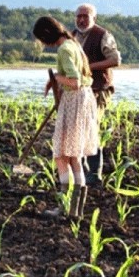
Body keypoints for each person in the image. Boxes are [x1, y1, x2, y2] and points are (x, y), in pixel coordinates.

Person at [32, 16, 99, 218]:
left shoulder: (65, 49)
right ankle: (74, 211)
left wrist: (56, 78)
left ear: (47, 35)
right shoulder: (73, 44)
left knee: (62, 156)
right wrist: (55, 82)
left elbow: (75, 81)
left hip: (75, 101)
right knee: (73, 157)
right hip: (82, 100)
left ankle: (65, 208)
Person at [72, 3, 122, 186]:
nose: (82, 19)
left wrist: (89, 68)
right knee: (77, 128)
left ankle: (95, 173)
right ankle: (82, 169)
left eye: (86, 16)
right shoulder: (72, 36)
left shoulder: (102, 35)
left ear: (94, 18)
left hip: (99, 89)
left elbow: (115, 60)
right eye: (79, 16)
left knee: (91, 127)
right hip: (77, 89)